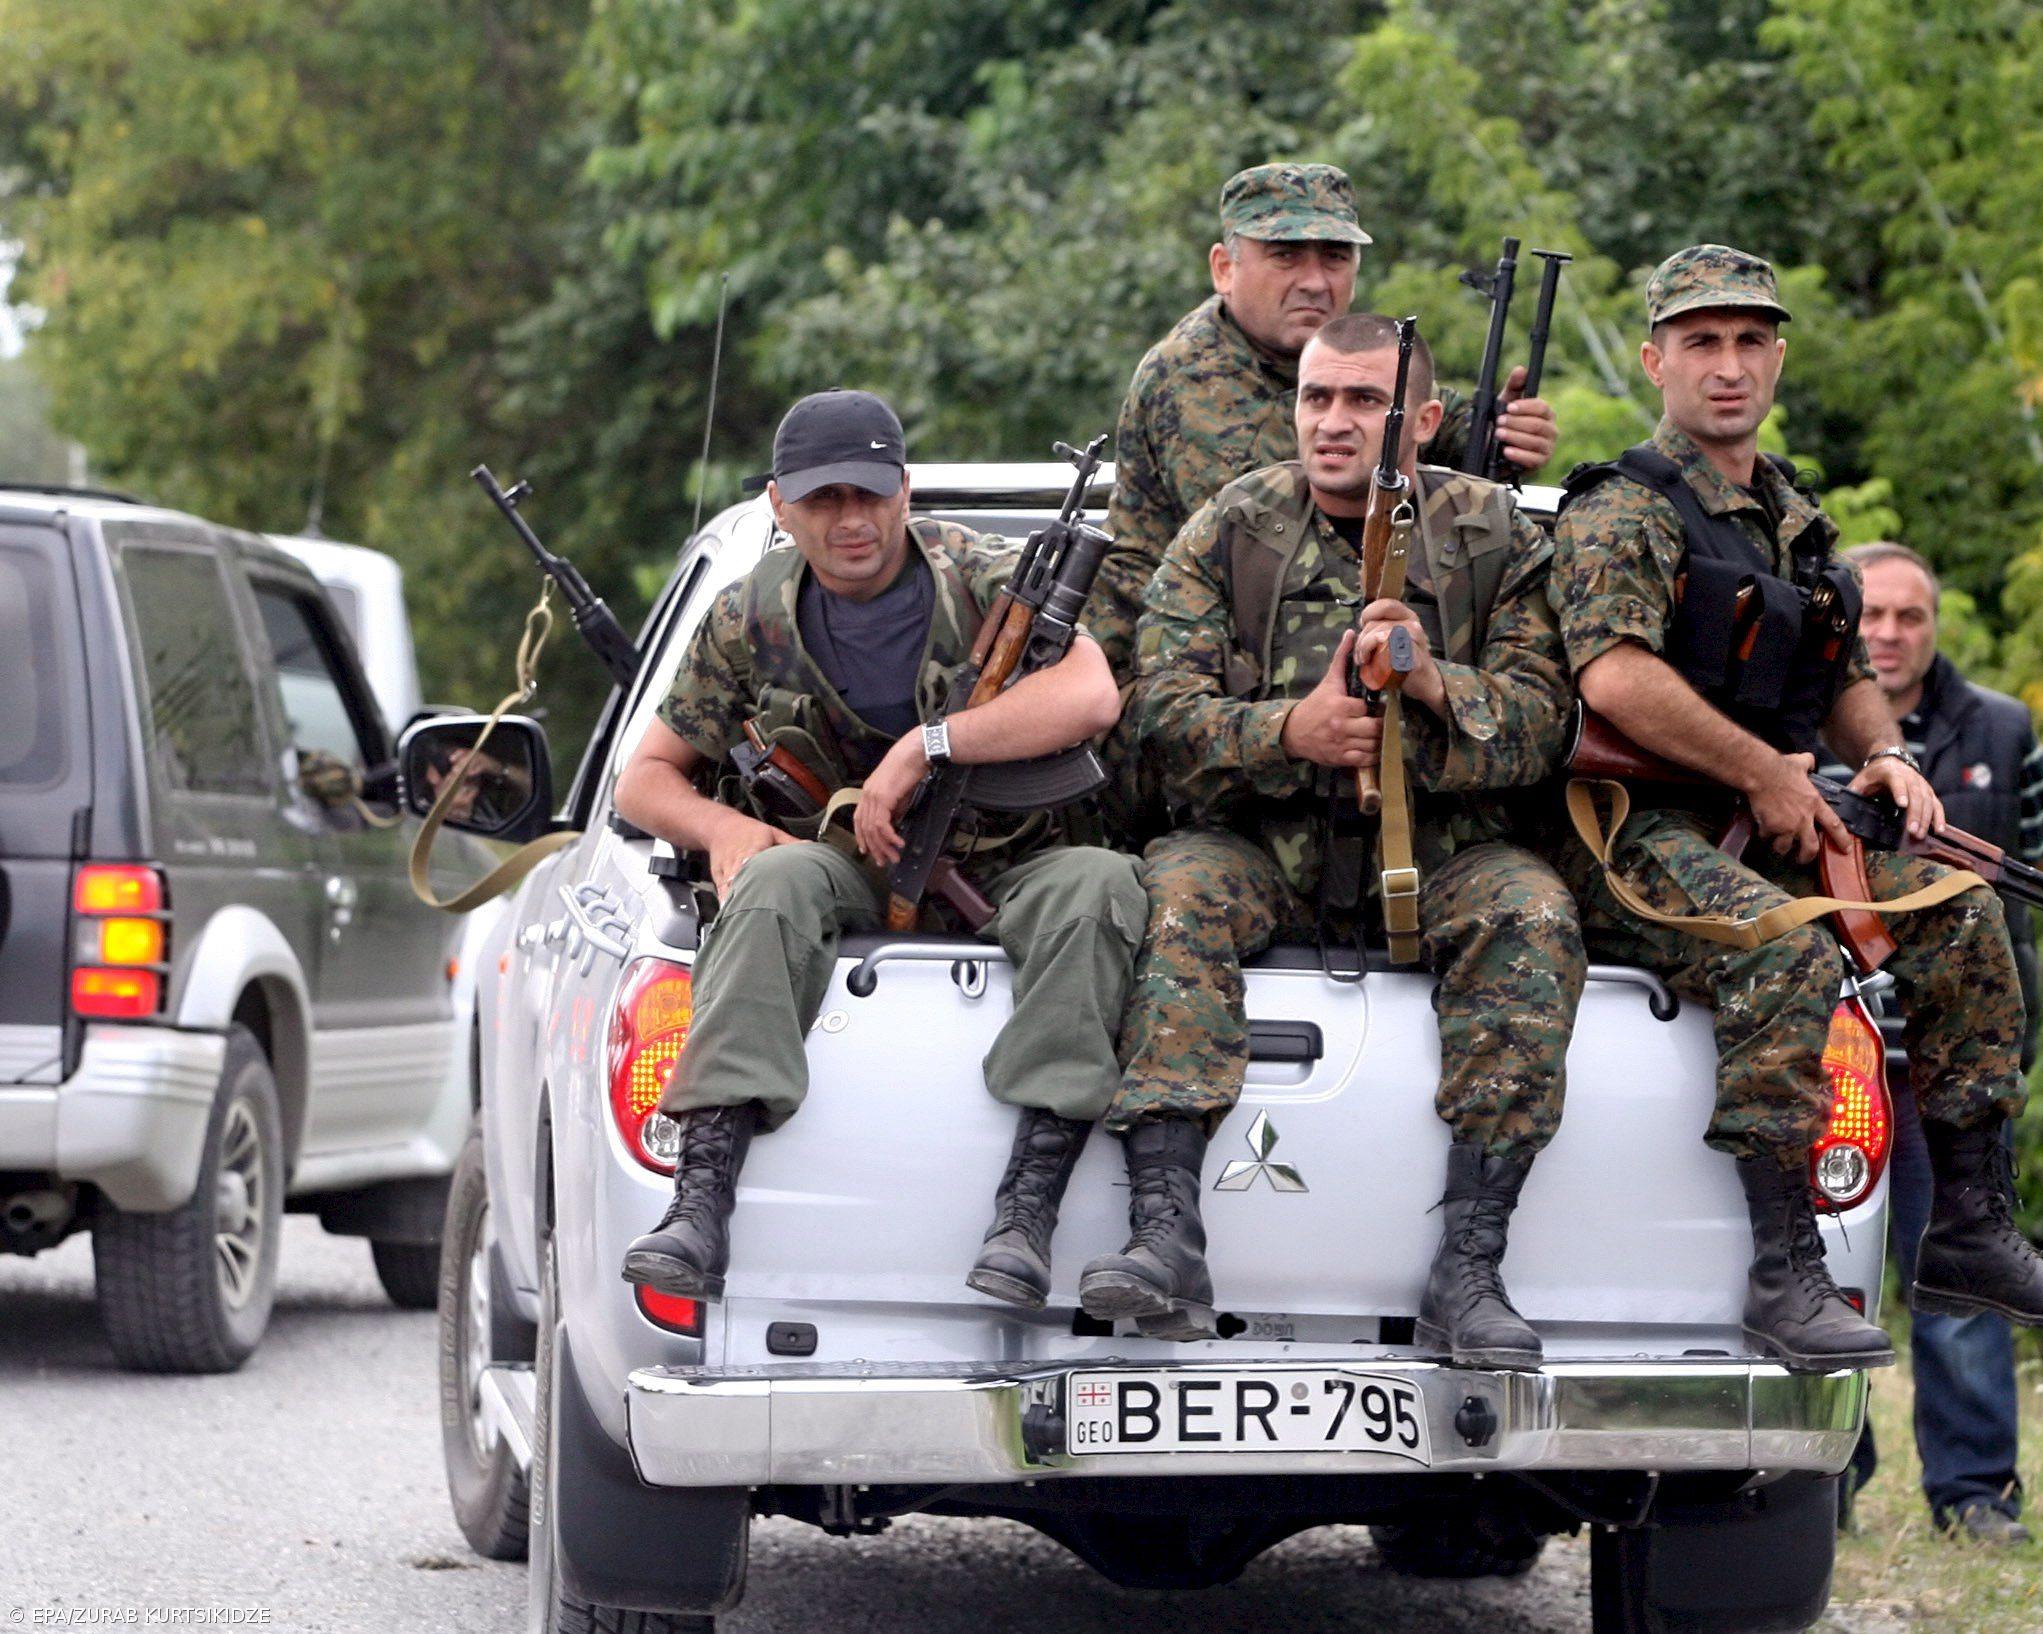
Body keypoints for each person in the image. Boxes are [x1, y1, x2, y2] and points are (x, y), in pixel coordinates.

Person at [1542, 245, 2043, 1373]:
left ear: (1778, 358)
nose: (1727, 365)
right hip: (1639, 832)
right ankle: (1779, 1269)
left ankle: (1967, 1228)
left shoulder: (1789, 513)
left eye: (1750, 341)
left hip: (1779, 814)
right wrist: (1761, 770)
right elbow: (1612, 677)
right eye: (1701, 342)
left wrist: (1888, 757)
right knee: (1788, 954)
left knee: (1961, 910)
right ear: (1655, 359)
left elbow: (1841, 665)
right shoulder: (1625, 508)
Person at [1069, 312, 1583, 1358]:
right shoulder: (1231, 526)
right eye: (1316, 398)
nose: (1333, 422)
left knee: (1532, 912)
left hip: (1443, 850)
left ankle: (1470, 1267)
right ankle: (1164, 1234)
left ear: (1426, 420)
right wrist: (1285, 731)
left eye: (1364, 400)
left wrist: (1438, 685)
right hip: (1260, 845)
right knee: (1171, 895)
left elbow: (1549, 721)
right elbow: (1154, 712)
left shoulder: (1494, 533)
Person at [613, 389, 1147, 1301]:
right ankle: (701, 1205)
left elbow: (1091, 696)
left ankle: (1026, 1211)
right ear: (780, 507)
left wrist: (929, 744)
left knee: (1102, 884)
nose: (850, 520)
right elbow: (644, 779)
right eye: (823, 500)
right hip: (843, 868)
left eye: (867, 494)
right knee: (771, 880)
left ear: (904, 490)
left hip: (1006, 860)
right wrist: (725, 827)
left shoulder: (983, 575)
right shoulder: (748, 614)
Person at [1086, 162, 1562, 675]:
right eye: (1285, 256)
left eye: (1335, 257)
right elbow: (1283, 533)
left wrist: (1507, 434)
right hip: (1189, 658)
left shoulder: (1346, 350)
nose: (1314, 282)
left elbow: (1428, 428)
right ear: (1225, 268)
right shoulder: (1189, 377)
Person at [1837, 541, 2043, 1544]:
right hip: (1830, 1051)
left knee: (1962, 1275)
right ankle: (1821, 1482)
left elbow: (2030, 897)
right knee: (1826, 1277)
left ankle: (1973, 1491)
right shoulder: (1795, 722)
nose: (1887, 632)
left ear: (1933, 625)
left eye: (1907, 616)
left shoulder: (2003, 731)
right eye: (1869, 613)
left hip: (1949, 1065)